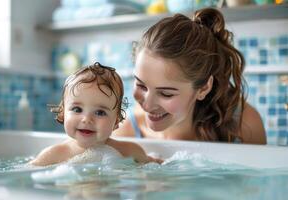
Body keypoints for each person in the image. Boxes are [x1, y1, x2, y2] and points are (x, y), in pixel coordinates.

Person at [114, 8, 266, 144]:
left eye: (166, 94)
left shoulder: (245, 126)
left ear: (203, 88)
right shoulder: (126, 131)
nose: (147, 105)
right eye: (141, 85)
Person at [30, 62, 152, 166]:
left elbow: (153, 167)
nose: (87, 119)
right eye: (77, 109)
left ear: (116, 121)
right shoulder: (53, 155)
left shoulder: (130, 151)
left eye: (100, 112)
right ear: (63, 113)